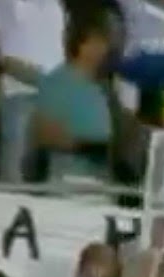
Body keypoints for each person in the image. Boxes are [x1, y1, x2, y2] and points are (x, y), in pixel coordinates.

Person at [0, 0, 66, 182]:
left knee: (56, 174)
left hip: (56, 96)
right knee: (14, 172)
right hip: (19, 94)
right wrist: (5, 64)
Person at [32, 10, 114, 183]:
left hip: (100, 174)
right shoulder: (58, 82)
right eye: (96, 42)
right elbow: (45, 133)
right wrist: (86, 146)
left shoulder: (100, 86)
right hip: (68, 174)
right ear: (81, 45)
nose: (103, 48)